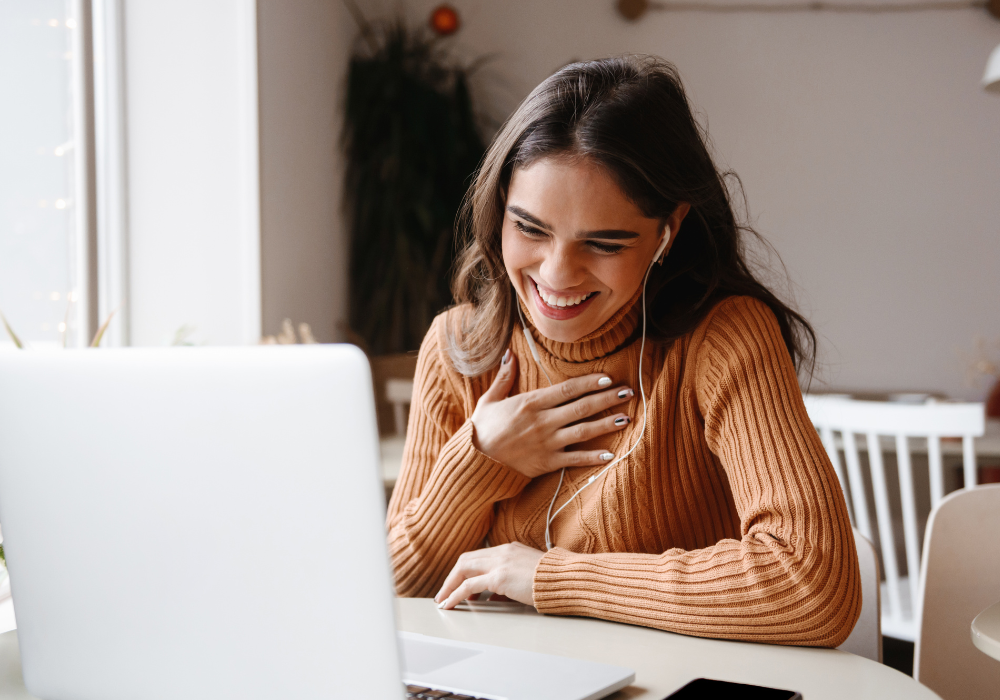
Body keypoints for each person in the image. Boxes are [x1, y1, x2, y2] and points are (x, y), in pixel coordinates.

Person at [386, 55, 860, 647]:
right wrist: (482, 460)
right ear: (500, 205)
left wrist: (551, 578)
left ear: (667, 231)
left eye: (604, 243)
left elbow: (812, 585)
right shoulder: (459, 347)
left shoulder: (724, 338)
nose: (556, 275)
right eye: (529, 228)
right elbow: (390, 592)